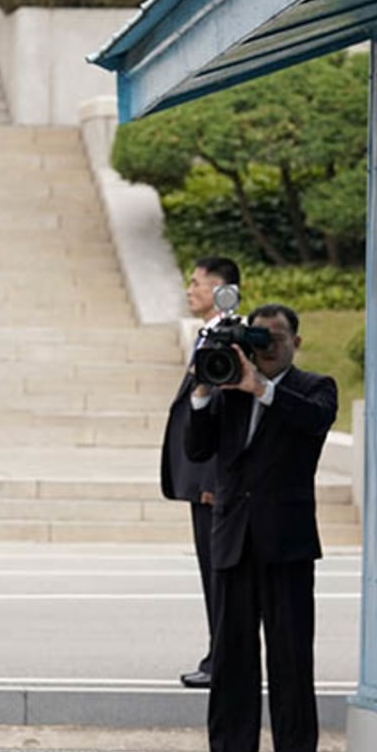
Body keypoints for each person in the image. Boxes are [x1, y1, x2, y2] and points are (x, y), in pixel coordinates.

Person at [185, 303, 337, 752]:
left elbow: (312, 423)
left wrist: (262, 388)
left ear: (297, 341)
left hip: (285, 541)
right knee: (232, 655)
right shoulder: (230, 390)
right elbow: (197, 447)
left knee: (290, 654)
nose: (266, 346)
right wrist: (205, 389)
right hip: (233, 538)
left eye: (276, 337)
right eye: (259, 337)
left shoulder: (313, 388)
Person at [161, 257, 239, 690]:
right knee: (211, 572)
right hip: (201, 480)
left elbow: (224, 416)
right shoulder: (208, 333)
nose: (189, 290)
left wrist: (211, 480)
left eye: (197, 284)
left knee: (219, 573)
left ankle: (223, 658)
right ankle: (219, 653)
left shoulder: (227, 337)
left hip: (214, 484)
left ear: (221, 288)